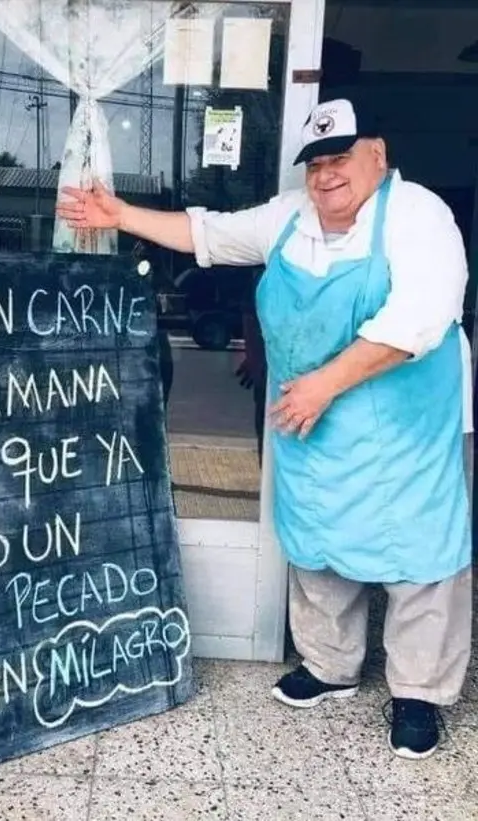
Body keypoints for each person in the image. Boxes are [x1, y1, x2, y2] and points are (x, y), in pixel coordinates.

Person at [56, 98, 474, 760]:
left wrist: (323, 384)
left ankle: (419, 691)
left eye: (340, 158)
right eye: (315, 164)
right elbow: (210, 234)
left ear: (378, 154)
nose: (327, 175)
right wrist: (120, 214)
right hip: (311, 420)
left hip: (402, 426)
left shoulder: (420, 216)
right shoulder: (292, 217)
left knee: (418, 553)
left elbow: (419, 319)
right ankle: (330, 664)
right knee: (316, 538)